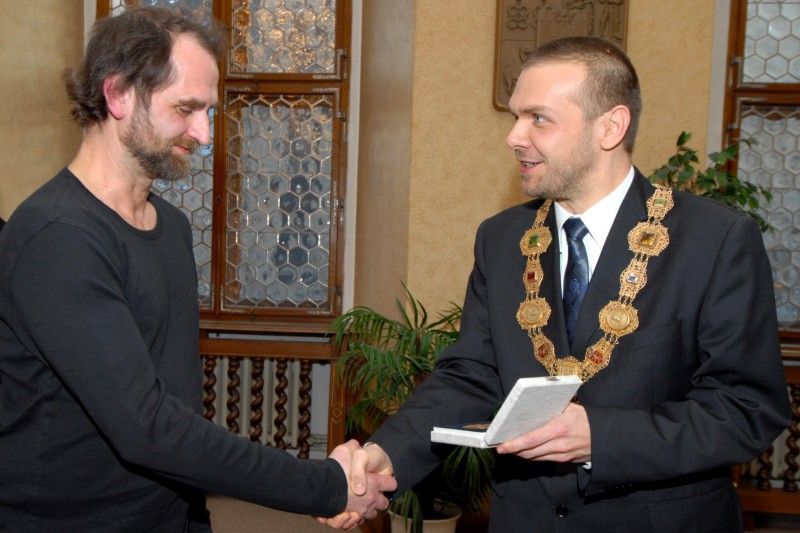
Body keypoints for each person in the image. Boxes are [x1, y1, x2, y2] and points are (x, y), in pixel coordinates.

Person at [329, 36, 791, 532]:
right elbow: (471, 376)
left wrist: (602, 437)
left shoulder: (714, 239)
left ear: (610, 126)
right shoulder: (502, 239)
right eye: (515, 117)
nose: (514, 136)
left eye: (538, 118)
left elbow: (747, 409)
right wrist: (386, 453)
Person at [0, 7, 393, 531]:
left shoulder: (171, 226)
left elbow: (174, 407)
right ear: (117, 95)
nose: (203, 135)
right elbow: (147, 428)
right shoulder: (58, 237)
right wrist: (324, 486)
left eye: (207, 111)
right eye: (186, 109)